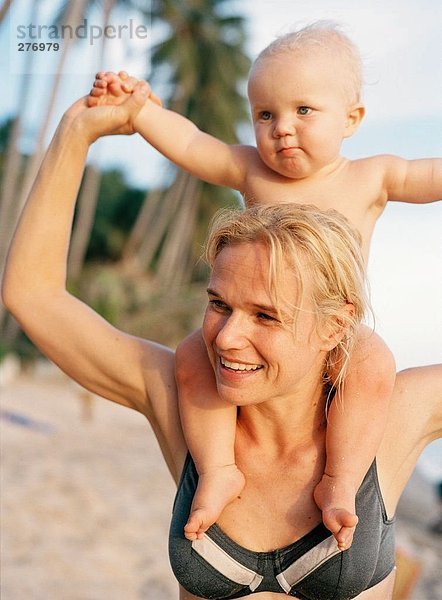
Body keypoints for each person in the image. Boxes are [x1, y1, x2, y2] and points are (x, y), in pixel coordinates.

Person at [2, 89, 442, 600]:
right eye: (219, 305)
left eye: (266, 315)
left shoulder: (394, 413)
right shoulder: (188, 400)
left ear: (335, 325)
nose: (228, 338)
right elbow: (33, 296)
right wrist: (75, 133)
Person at [88, 21, 442, 548]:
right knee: (190, 358)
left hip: (333, 334)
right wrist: (141, 112)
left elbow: (427, 176)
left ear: (352, 118)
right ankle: (217, 468)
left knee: (375, 365)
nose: (282, 128)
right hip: (263, 333)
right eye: (265, 114)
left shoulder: (374, 176)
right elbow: (191, 143)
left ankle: (340, 481)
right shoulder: (251, 169)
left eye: (304, 110)